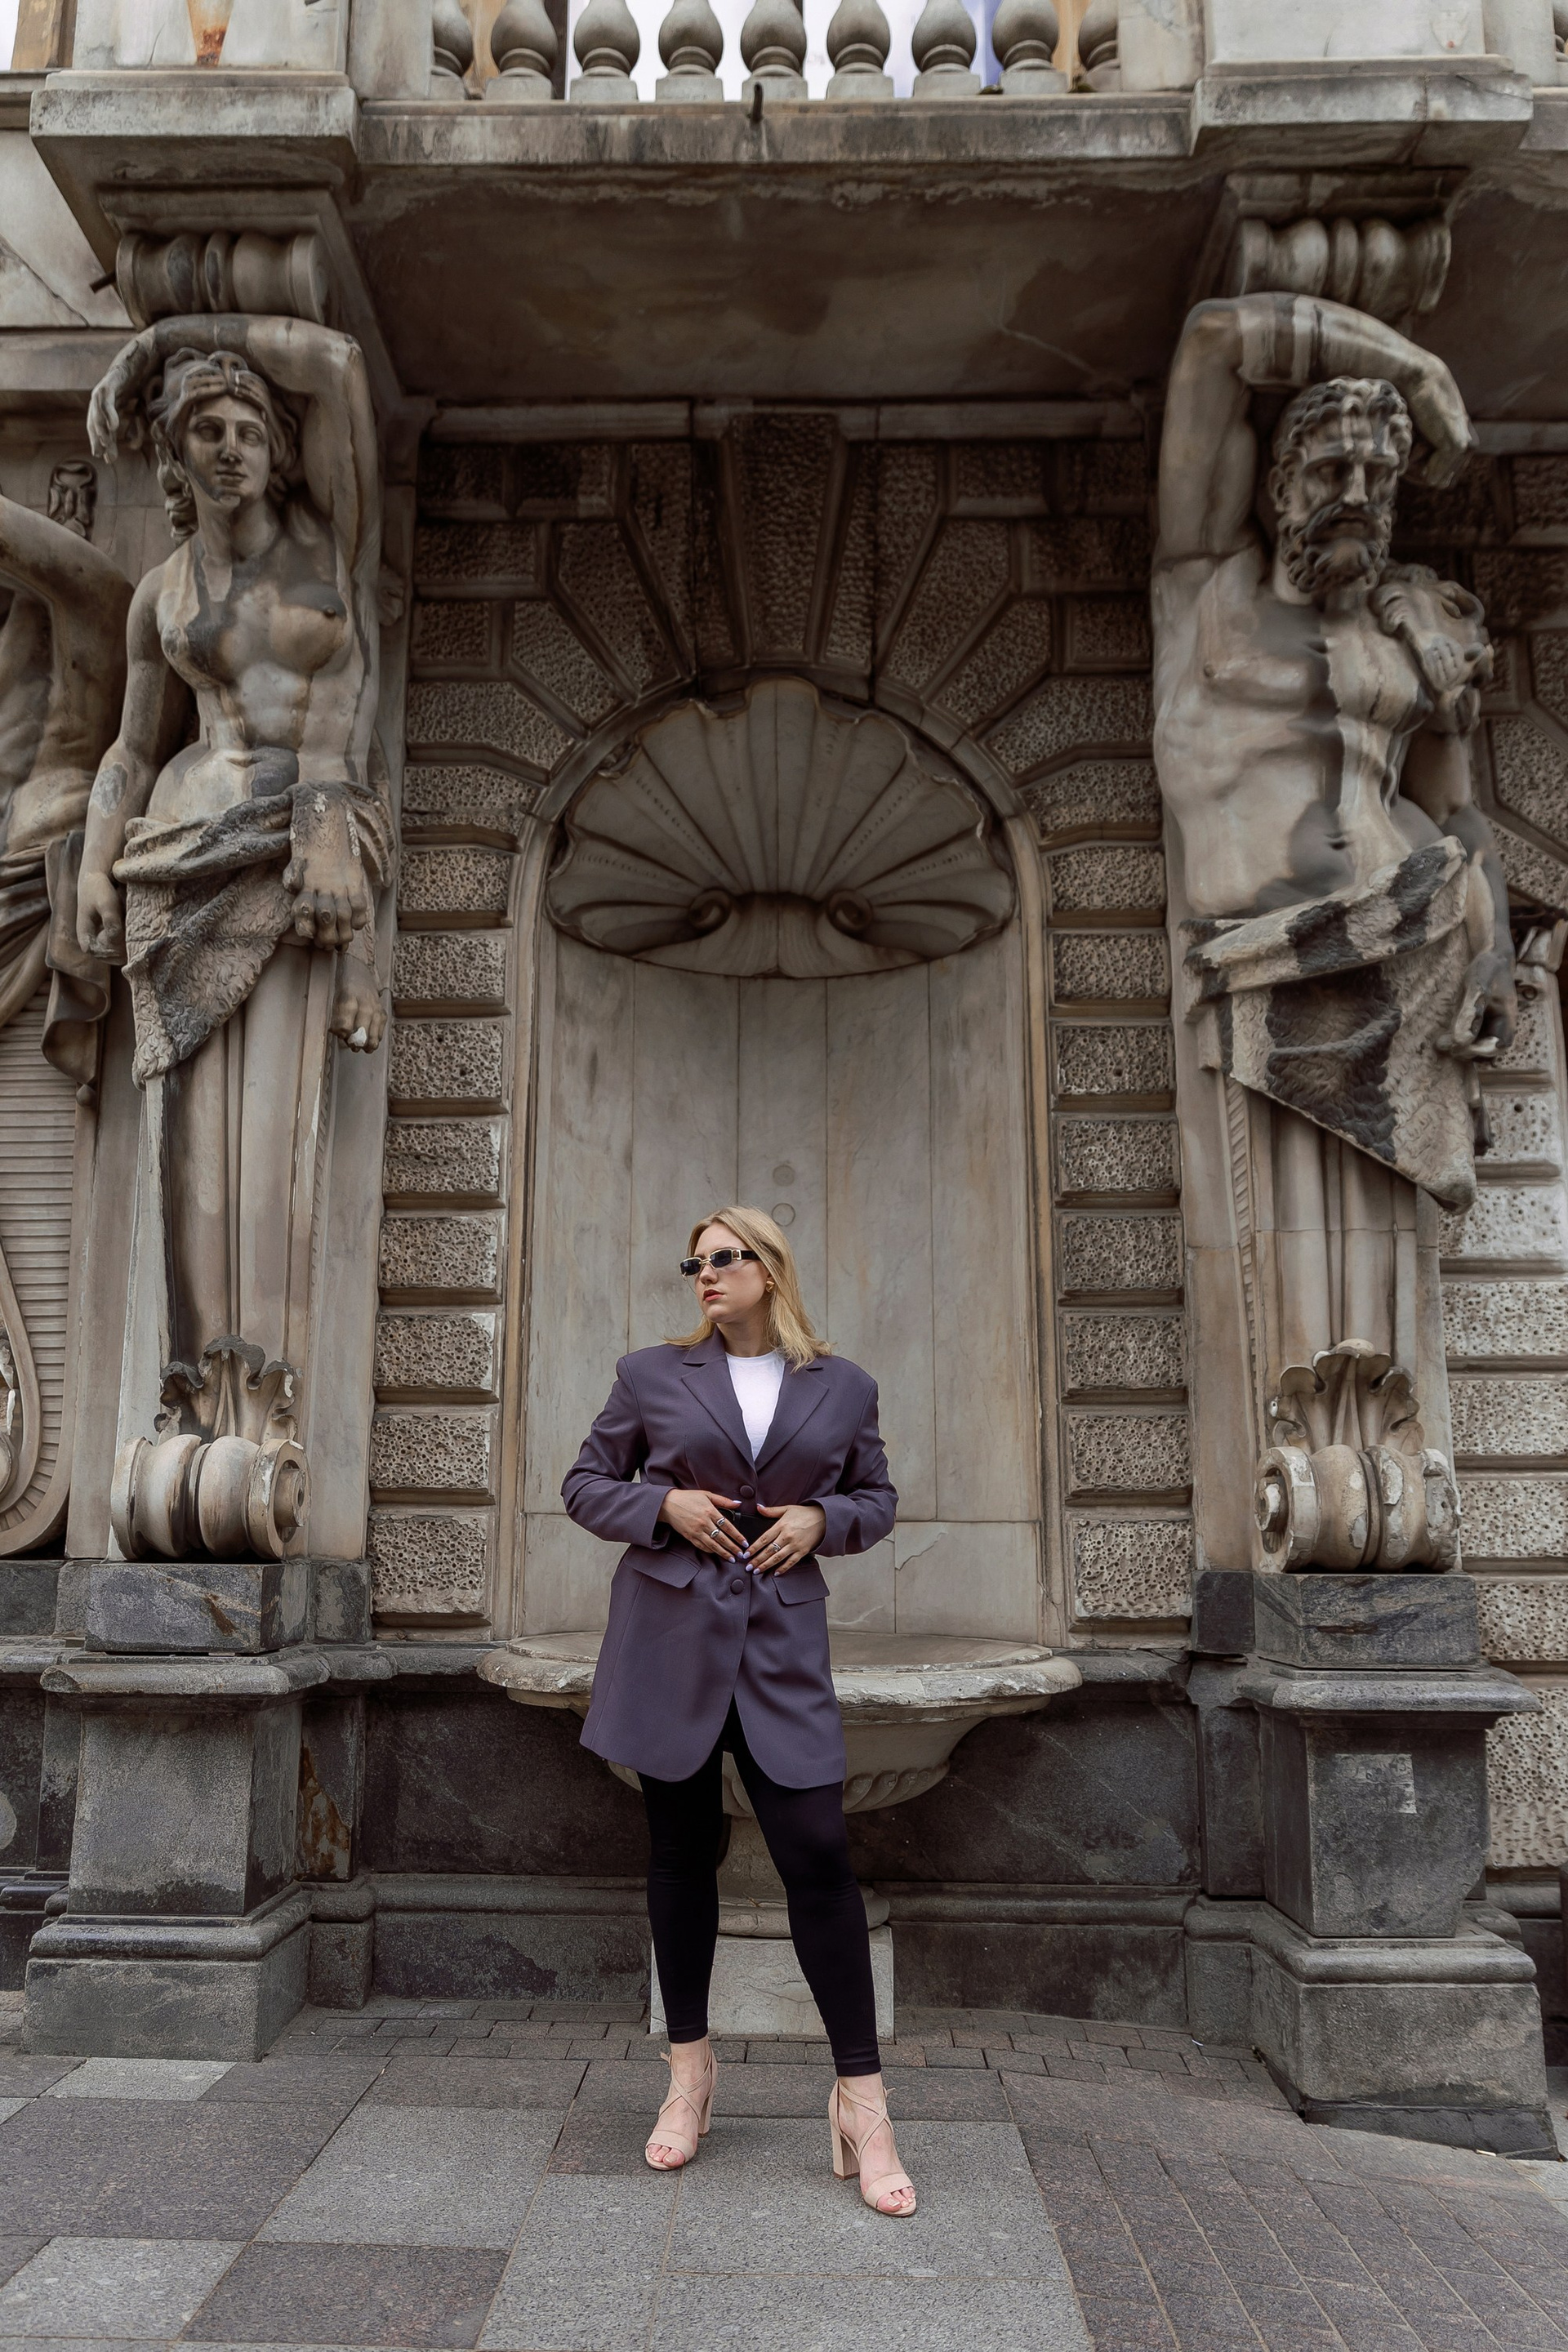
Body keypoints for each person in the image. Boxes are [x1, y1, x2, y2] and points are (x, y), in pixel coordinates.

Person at [75, 315, 390, 1559]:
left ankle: (261, 1412)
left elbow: (341, 369)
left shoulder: (332, 549)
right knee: (184, 1152)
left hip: (300, 850)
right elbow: (127, 744)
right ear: (175, 454)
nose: (228, 447)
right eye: (203, 428)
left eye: (248, 426)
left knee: (275, 1144)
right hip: (181, 846)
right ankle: (192, 1400)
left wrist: (164, 340)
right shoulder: (164, 593)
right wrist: (95, 863)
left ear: (279, 445)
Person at [563, 1206, 915, 2216]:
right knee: (680, 1855)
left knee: (820, 1858)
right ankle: (689, 2075)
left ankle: (863, 2103)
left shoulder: (843, 1385)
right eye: (696, 1263)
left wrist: (822, 1519)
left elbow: (878, 1499)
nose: (706, 1275)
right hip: (668, 1643)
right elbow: (584, 1484)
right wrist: (660, 1505)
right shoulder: (649, 1374)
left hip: (781, 1652)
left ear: (769, 1268)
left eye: (725, 1259)